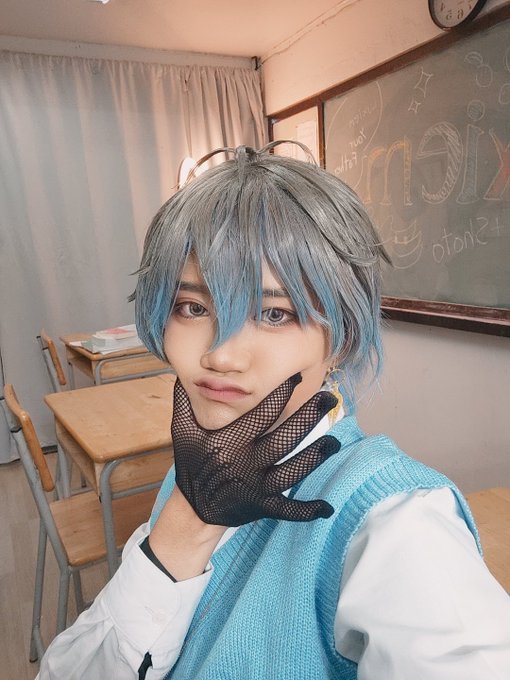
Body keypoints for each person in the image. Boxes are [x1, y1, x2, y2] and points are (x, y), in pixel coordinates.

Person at [38, 143, 510, 680]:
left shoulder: (396, 522)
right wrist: (186, 522)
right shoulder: (195, 470)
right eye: (193, 307)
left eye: (275, 314)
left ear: (341, 338)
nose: (221, 355)